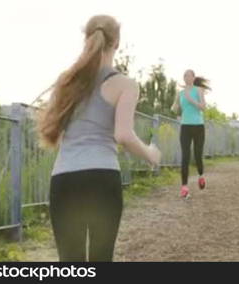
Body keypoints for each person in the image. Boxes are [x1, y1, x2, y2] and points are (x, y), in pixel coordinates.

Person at [35, 15, 161, 261]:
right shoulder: (125, 84)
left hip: (65, 179)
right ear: (117, 42)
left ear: (86, 39)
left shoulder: (66, 81)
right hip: (102, 179)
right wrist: (150, 154)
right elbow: (123, 135)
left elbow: (58, 131)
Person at [171, 69, 210, 198]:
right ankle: (184, 187)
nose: (187, 77)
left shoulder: (198, 91)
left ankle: (201, 176)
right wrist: (175, 110)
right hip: (185, 127)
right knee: (185, 157)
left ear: (193, 78)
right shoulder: (180, 93)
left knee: (198, 155)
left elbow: (203, 107)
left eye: (189, 75)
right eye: (185, 75)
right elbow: (175, 107)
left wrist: (191, 100)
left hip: (198, 126)